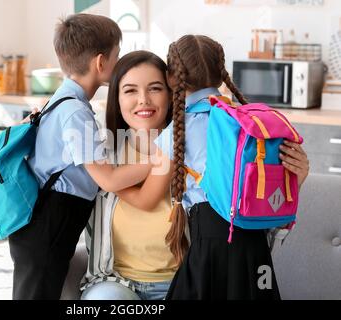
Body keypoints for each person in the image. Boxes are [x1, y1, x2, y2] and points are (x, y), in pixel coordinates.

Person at [112, 35, 310, 300]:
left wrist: (112, 187)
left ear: (172, 78)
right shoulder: (247, 122)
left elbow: (147, 197)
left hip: (212, 243)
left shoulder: (180, 129)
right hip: (256, 247)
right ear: (220, 74)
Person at [8, 14, 154, 300]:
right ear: (101, 63)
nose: (119, 62)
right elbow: (108, 179)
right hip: (49, 221)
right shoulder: (75, 112)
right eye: (117, 56)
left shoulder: (64, 99)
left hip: (45, 220)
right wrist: (159, 159)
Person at [80, 51, 178, 300]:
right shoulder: (102, 154)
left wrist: (292, 181)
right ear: (117, 98)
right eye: (131, 90)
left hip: (182, 282)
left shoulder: (194, 151)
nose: (143, 100)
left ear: (170, 94)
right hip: (115, 282)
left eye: (155, 88)